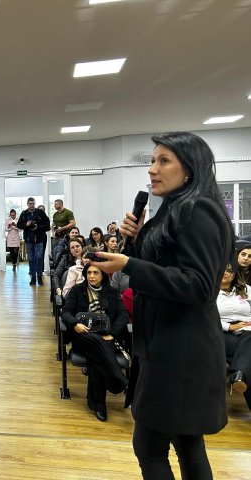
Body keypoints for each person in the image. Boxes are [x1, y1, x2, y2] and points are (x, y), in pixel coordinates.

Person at [93, 132, 236, 479]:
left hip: (180, 350)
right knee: (187, 442)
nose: (152, 169)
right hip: (167, 343)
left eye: (163, 160)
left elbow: (199, 285)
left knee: (150, 447)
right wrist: (138, 241)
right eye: (152, 160)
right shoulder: (176, 207)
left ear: (190, 169)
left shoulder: (199, 210)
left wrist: (130, 264)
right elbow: (164, 269)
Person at [61, 264, 129, 421]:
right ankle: (120, 380)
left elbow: (122, 315)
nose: (92, 276)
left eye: (95, 273)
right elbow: (66, 312)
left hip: (105, 336)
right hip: (82, 335)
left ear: (103, 275)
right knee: (98, 343)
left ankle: (98, 404)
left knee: (97, 356)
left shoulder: (112, 292)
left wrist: (112, 334)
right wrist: (75, 324)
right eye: (89, 272)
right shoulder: (77, 290)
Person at [217, 265, 251, 411]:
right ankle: (240, 373)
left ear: (235, 274)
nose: (226, 273)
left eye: (230, 270)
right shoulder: (210, 291)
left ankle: (240, 374)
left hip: (248, 329)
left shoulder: (246, 290)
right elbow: (205, 316)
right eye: (223, 269)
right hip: (222, 332)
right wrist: (229, 327)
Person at [17, 197, 51, 285]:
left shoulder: (41, 213)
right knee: (31, 258)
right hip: (29, 239)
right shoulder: (24, 213)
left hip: (39, 239)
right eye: (30, 204)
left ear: (35, 204)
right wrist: (26, 224)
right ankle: (33, 277)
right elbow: (19, 225)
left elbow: (48, 226)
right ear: (27, 204)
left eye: (33, 203)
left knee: (39, 258)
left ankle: (39, 277)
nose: (31, 205)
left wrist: (38, 227)